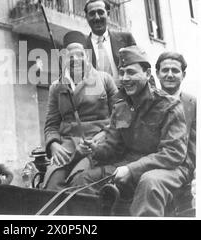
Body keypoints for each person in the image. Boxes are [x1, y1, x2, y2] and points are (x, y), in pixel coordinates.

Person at [70, 46, 188, 216]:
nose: (125, 78)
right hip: (127, 165)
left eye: (131, 72)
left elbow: (173, 153)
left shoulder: (168, 105)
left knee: (149, 182)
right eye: (122, 72)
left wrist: (132, 169)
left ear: (147, 74)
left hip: (167, 168)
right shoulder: (121, 107)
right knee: (83, 180)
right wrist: (93, 149)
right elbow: (113, 149)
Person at [43, 30, 118, 191]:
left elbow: (120, 116)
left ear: (87, 56)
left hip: (97, 145)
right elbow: (51, 125)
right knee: (51, 186)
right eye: (70, 55)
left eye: (80, 54)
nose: (75, 59)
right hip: (68, 147)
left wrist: (103, 135)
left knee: (78, 184)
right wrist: (54, 145)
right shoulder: (57, 87)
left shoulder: (105, 80)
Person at [155, 52, 196, 206]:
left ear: (183, 74)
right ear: (157, 73)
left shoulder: (193, 103)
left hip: (183, 169)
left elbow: (195, 145)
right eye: (165, 70)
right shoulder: (148, 101)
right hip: (153, 166)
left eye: (175, 70)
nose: (170, 75)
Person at [84, 0, 136, 84]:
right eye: (92, 14)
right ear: (86, 17)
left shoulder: (126, 39)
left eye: (100, 12)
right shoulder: (82, 46)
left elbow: (140, 68)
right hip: (97, 95)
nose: (97, 18)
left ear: (108, 14)